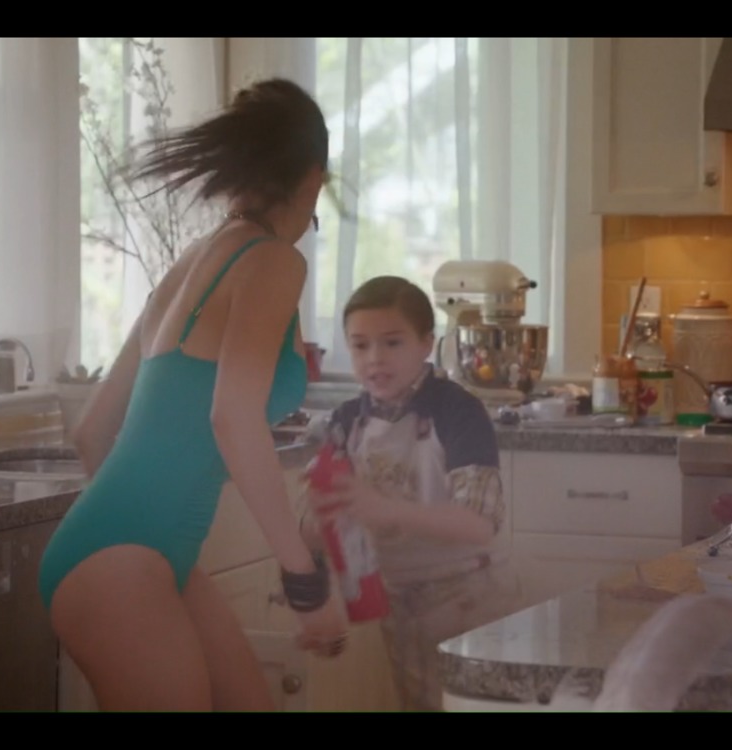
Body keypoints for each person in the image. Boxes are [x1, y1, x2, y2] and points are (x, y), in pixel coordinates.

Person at [36, 78, 349, 712]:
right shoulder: (273, 261)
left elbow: (92, 430)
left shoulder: (192, 263)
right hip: (127, 560)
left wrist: (147, 537)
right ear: (313, 178)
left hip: (128, 548)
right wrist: (303, 579)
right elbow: (233, 418)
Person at [299, 275, 525, 712]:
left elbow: (478, 524)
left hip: (472, 595)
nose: (375, 358)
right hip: (395, 599)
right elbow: (325, 528)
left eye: (392, 342)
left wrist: (384, 509)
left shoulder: (457, 411)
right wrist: (315, 542)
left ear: (426, 344)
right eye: (360, 345)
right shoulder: (345, 423)